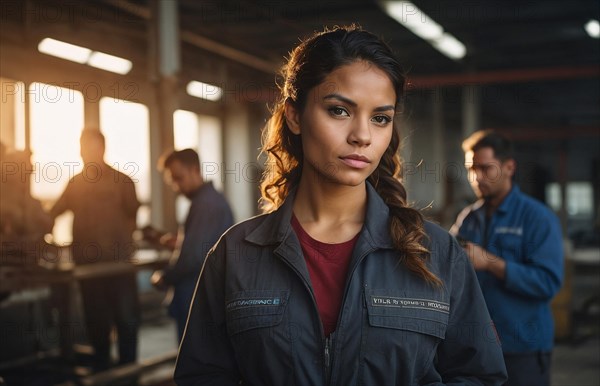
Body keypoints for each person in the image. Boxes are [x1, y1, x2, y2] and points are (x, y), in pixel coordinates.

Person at [175, 26, 507, 385]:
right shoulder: (234, 255)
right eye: (339, 111)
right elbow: (201, 377)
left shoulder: (437, 253)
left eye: (380, 118)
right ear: (295, 117)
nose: (362, 135)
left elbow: (479, 376)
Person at [451, 130, 563, 386]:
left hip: (522, 347)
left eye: (486, 169)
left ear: (509, 167)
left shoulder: (537, 218)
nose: (477, 177)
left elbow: (547, 283)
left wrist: (490, 262)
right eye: (471, 169)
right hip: (476, 347)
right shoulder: (468, 218)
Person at [50, 129, 140, 371]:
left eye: (90, 147)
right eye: (82, 147)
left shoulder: (122, 182)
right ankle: (103, 373)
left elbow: (133, 218)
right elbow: (53, 213)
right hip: (89, 271)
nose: (85, 153)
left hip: (119, 268)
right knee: (96, 323)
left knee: (126, 322)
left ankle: (128, 374)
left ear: (102, 148)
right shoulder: (75, 184)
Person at [151, 148, 234, 341]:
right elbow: (205, 246)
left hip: (196, 299)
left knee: (194, 362)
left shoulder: (204, 205)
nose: (176, 186)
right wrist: (182, 243)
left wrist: (164, 277)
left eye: (179, 177)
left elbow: (195, 256)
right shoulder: (213, 201)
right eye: (172, 180)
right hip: (208, 298)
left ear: (195, 170)